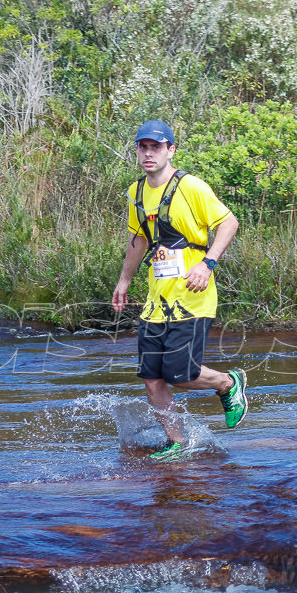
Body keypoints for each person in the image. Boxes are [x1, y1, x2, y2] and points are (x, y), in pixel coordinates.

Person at [112, 119, 248, 461]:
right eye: (143, 147)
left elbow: (229, 222)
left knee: (181, 373)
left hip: (193, 296)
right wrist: (124, 280)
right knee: (152, 378)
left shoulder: (191, 186)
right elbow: (139, 238)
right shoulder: (136, 192)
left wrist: (208, 264)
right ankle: (178, 443)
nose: (148, 153)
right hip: (156, 300)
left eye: (156, 147)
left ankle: (227, 383)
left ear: (171, 150)